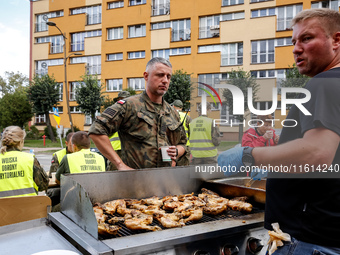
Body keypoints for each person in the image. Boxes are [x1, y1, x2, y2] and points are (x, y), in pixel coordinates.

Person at [218, 8, 340, 254]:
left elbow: (317, 154)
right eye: (294, 41)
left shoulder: (325, 83)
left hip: (309, 240)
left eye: (307, 38)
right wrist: (277, 165)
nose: (296, 48)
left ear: (336, 40)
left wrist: (248, 155)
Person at [88, 57, 189, 170]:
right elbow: (96, 130)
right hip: (133, 181)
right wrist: (119, 165)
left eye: (168, 76)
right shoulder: (129, 106)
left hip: (163, 181)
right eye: (160, 75)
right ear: (146, 76)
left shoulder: (172, 113)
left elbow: (183, 144)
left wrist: (176, 151)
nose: (165, 80)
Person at [0, 126, 48, 198]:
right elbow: (43, 185)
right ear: (21, 141)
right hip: (29, 207)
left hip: (2, 208)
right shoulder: (29, 159)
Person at [46, 132, 74, 207]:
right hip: (61, 186)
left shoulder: (80, 154)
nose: (74, 147)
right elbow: (54, 175)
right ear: (66, 143)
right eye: (72, 144)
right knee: (53, 193)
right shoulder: (59, 155)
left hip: (76, 187)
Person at [107, 91, 130, 171]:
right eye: (121, 99)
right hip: (116, 148)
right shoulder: (113, 112)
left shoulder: (133, 111)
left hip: (129, 148)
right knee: (114, 173)